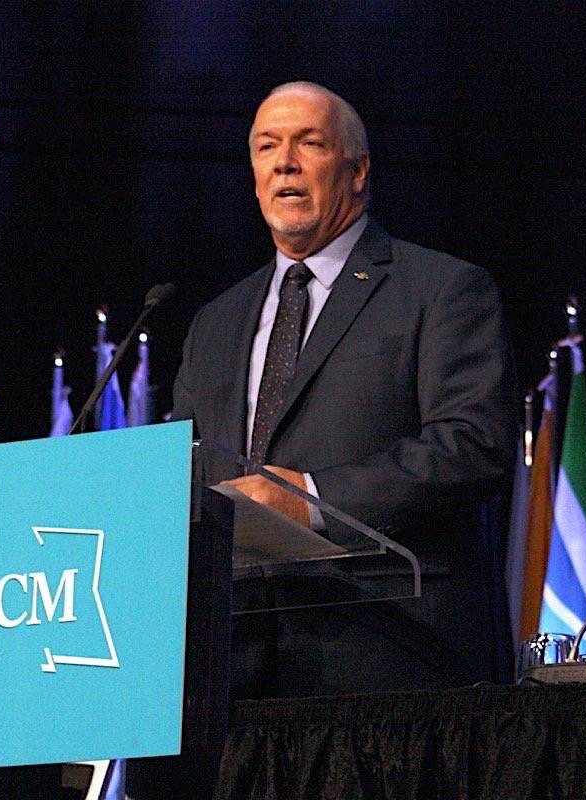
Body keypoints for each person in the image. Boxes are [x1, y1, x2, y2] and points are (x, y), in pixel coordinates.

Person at [170, 81, 517, 697]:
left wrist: (311, 499)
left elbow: (473, 446)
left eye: (310, 143)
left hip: (391, 653)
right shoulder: (215, 322)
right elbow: (188, 472)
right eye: (266, 146)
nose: (285, 162)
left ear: (357, 172)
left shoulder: (441, 290)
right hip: (235, 665)